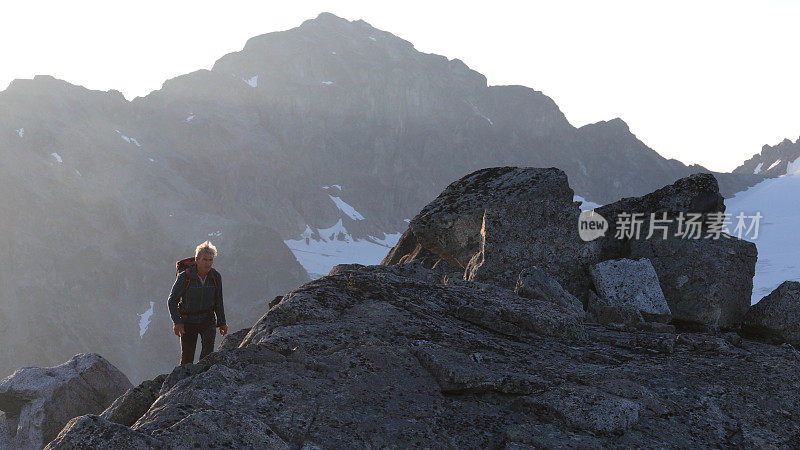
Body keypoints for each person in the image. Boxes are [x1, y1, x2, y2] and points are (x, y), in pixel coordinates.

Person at [167, 241, 228, 365]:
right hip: (188, 321)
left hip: (208, 319)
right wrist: (177, 322)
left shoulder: (215, 277)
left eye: (210, 260)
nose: (208, 263)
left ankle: (203, 381)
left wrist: (222, 322)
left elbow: (218, 301)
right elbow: (172, 300)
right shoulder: (185, 277)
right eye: (205, 260)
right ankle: (183, 383)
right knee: (187, 359)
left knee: (208, 356)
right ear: (197, 259)